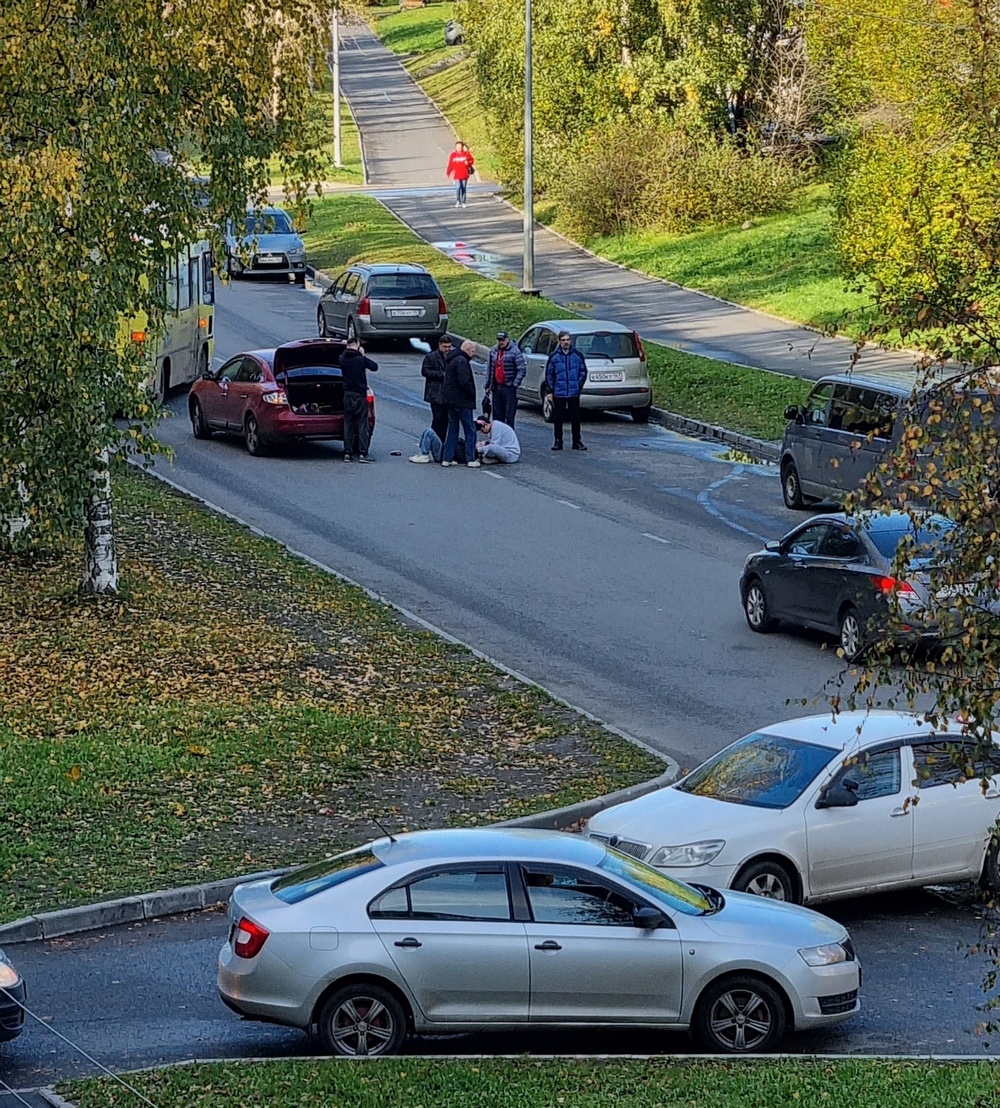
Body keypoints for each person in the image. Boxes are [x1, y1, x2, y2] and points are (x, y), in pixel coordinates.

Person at [545, 330, 588, 451]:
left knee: (575, 418)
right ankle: (558, 441)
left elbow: (583, 372)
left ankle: (577, 441)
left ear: (571, 341)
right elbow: (549, 374)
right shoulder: (554, 357)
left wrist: (578, 385)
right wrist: (550, 390)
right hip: (559, 392)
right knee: (558, 418)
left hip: (573, 392)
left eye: (568, 340)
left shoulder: (577, 355)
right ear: (559, 341)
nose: (566, 342)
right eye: (563, 340)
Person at [441, 339, 479, 467]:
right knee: (470, 430)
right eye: (473, 351)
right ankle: (471, 458)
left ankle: (447, 457)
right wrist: (471, 394)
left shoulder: (452, 360)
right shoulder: (462, 361)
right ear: (467, 350)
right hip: (462, 402)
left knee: (453, 430)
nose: (474, 354)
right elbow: (465, 382)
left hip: (451, 402)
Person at [339, 338, 378, 462]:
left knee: (348, 424)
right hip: (360, 395)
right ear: (357, 345)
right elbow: (374, 367)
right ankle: (362, 453)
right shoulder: (360, 359)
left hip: (347, 394)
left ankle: (347, 453)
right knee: (362, 424)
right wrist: (362, 354)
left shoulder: (342, 359)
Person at [485, 331, 527, 429]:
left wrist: (514, 384)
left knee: (509, 415)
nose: (501, 342)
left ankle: (509, 438)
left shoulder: (515, 351)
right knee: (497, 415)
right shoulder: (493, 351)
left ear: (508, 339)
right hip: (496, 387)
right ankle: (497, 437)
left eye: (502, 340)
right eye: (499, 340)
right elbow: (490, 369)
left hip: (509, 388)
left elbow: (522, 369)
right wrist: (488, 385)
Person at [419, 334, 452, 449]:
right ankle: (434, 442)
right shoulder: (431, 357)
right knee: (438, 419)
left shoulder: (452, 357)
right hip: (435, 394)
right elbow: (425, 371)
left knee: (446, 420)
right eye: (445, 347)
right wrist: (441, 375)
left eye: (449, 347)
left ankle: (441, 443)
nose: (447, 349)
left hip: (447, 395)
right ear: (439, 345)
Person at [446, 140, 475, 207]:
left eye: (460, 146)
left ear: (462, 147)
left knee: (463, 187)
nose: (458, 148)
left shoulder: (466, 154)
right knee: (458, 187)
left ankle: (464, 202)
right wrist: (448, 173)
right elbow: (450, 164)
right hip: (456, 174)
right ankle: (458, 200)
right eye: (457, 147)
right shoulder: (453, 155)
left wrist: (468, 163)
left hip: (464, 174)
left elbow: (472, 160)